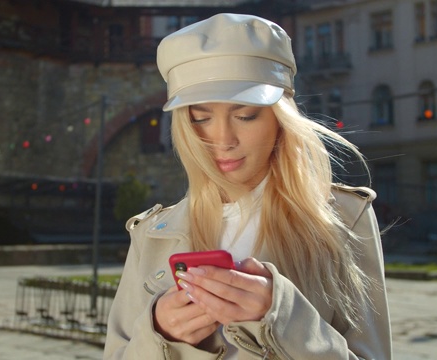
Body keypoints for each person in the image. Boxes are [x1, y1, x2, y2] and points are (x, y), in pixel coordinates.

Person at [103, 13, 392, 360]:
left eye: (245, 115)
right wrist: (159, 336)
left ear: (280, 118)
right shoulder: (152, 234)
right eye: (201, 118)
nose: (222, 140)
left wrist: (282, 318)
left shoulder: (343, 218)